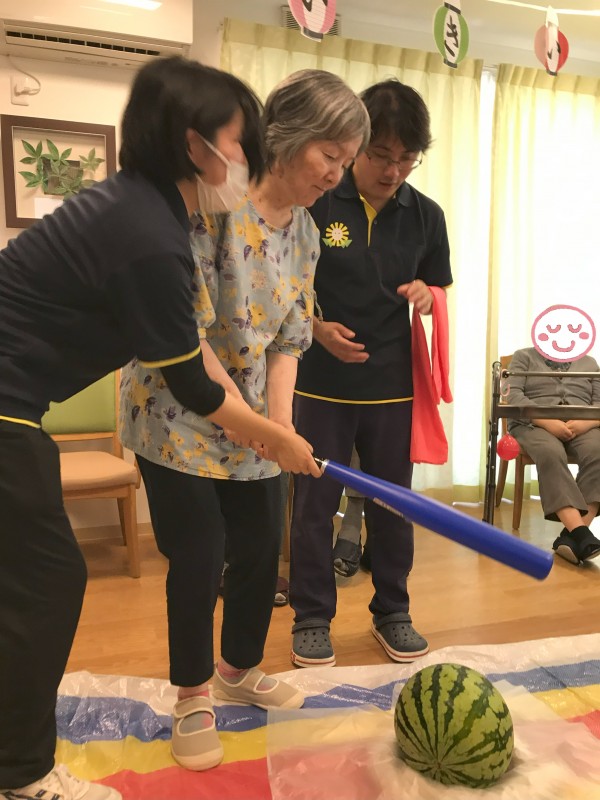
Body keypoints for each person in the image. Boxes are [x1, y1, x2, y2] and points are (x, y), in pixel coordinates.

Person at [0, 57, 321, 800]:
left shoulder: (142, 208)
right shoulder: (149, 232)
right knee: (47, 583)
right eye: (237, 143)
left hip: (16, 405)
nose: (245, 159)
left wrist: (271, 428)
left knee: (28, 582)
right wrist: (276, 436)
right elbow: (193, 384)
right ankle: (21, 775)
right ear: (193, 144)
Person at [119, 69, 369, 771]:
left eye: (346, 160)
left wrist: (280, 428)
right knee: (200, 553)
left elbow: (290, 339)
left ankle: (238, 668)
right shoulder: (212, 207)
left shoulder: (309, 233)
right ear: (286, 138)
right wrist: (261, 429)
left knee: (261, 547)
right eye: (330, 154)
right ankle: (192, 693)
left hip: (252, 412)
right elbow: (187, 335)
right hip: (175, 411)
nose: (336, 173)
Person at [289, 78, 453, 668]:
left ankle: (393, 612)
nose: (393, 170)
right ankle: (311, 618)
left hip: (392, 385)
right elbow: (281, 286)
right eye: (382, 155)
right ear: (355, 145)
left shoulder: (425, 214)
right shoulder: (315, 201)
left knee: (394, 506)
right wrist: (316, 328)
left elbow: (438, 285)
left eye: (407, 159)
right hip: (318, 383)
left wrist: (428, 295)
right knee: (314, 506)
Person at [507, 347, 600, 564]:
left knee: (598, 452)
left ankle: (571, 537)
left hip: (582, 425)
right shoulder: (523, 357)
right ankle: (581, 535)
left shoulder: (590, 363)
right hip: (533, 424)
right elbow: (513, 395)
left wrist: (587, 422)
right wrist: (546, 421)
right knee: (550, 452)